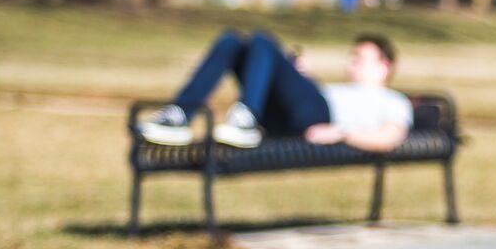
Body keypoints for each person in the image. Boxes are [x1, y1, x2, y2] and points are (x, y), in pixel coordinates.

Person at [137, 32, 413, 153]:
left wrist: (342, 134)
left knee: (263, 41)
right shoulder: (341, 89)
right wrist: (297, 76)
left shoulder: (392, 101)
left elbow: (390, 137)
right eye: (352, 56)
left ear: (384, 66)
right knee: (231, 41)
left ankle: (245, 120)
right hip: (300, 108)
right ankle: (179, 115)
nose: (351, 63)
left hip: (321, 115)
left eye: (360, 58)